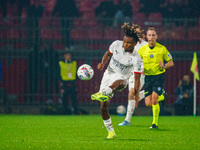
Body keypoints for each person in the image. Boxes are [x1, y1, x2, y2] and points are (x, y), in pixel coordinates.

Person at [91, 22, 142, 139]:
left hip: (121, 78)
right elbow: (107, 54)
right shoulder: (116, 44)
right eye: (124, 41)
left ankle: (106, 91)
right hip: (108, 74)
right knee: (103, 107)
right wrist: (102, 63)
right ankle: (111, 132)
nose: (125, 44)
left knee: (121, 82)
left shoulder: (136, 58)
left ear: (135, 43)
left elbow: (137, 78)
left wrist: (136, 93)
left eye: (128, 42)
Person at [118, 25, 166, 126]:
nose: (139, 35)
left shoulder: (145, 45)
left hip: (140, 74)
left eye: (140, 33)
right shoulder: (128, 44)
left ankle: (127, 120)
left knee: (132, 93)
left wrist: (143, 67)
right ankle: (156, 93)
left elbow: (147, 57)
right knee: (134, 95)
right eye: (136, 34)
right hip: (130, 73)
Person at [138, 27, 174, 129]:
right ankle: (162, 96)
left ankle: (154, 124)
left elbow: (171, 62)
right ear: (146, 36)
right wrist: (140, 68)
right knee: (148, 103)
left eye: (153, 35)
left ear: (156, 37)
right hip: (148, 78)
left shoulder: (162, 48)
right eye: (149, 35)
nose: (151, 37)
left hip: (158, 76)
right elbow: (135, 60)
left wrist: (165, 66)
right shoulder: (143, 49)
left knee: (154, 100)